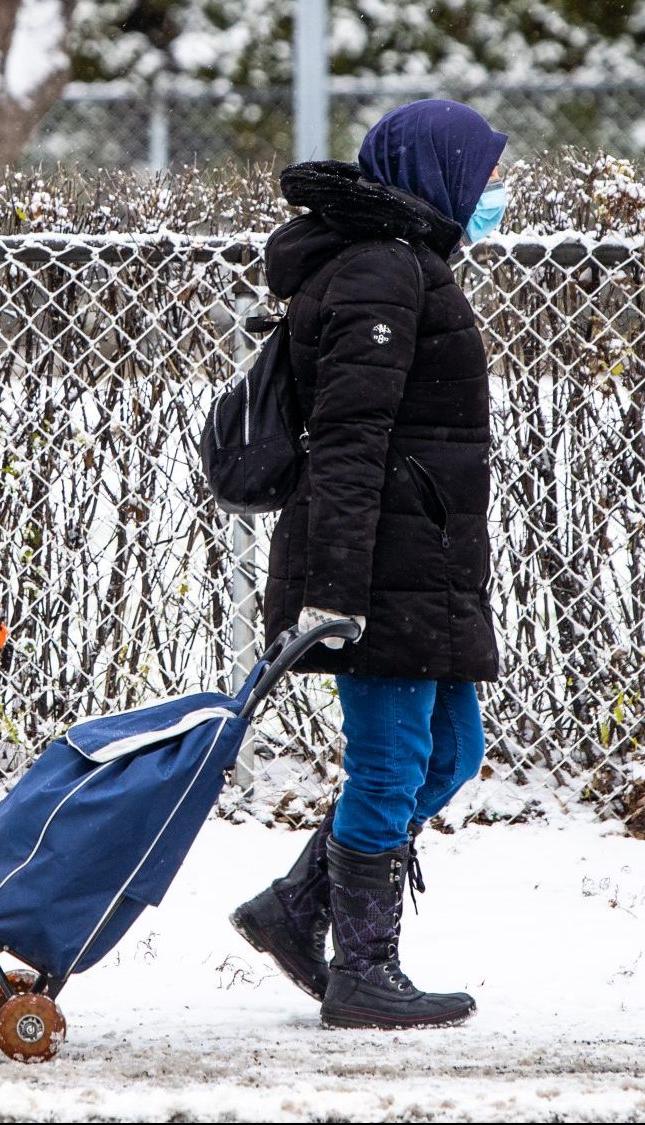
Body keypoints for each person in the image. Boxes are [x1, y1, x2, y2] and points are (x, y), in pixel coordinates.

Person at [229, 101, 508, 1030]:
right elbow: (348, 442)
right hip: (377, 567)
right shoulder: (383, 271)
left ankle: (298, 905)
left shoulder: (405, 263)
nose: (491, 195)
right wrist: (335, 593)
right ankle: (365, 972)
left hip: (422, 560)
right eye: (481, 176)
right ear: (435, 176)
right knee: (390, 766)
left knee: (452, 753)